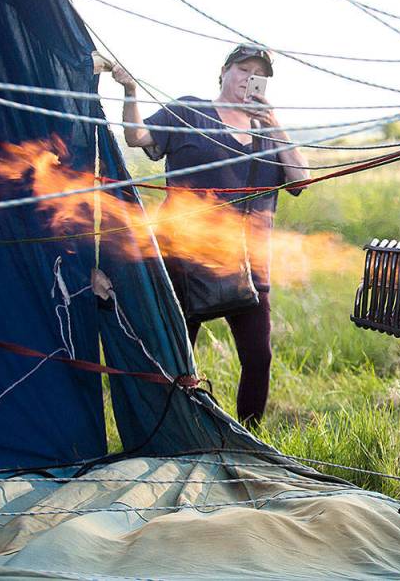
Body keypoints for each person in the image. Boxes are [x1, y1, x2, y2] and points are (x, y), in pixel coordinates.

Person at [111, 44, 309, 426]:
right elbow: (137, 136)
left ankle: (249, 440)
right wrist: (130, 91)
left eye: (257, 73)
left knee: (258, 357)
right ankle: (171, 434)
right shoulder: (189, 112)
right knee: (177, 355)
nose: (248, 79)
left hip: (248, 268)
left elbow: (301, 180)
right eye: (242, 69)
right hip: (184, 263)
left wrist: (273, 121)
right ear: (223, 71)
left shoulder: (268, 133)